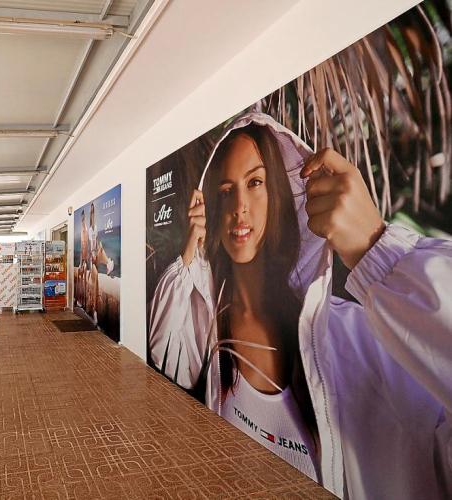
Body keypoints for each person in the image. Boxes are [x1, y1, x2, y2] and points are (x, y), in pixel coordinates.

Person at [148, 113, 451, 498]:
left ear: (281, 194)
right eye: (225, 190)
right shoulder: (209, 322)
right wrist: (190, 253)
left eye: (255, 183)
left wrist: (377, 251)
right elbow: (166, 356)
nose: (239, 206)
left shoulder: (360, 341)